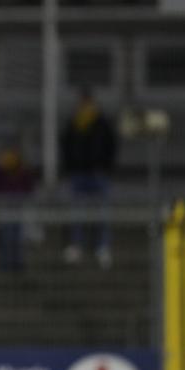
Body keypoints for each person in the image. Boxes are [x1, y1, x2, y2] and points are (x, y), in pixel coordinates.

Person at [60, 88, 117, 268]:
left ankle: (102, 247)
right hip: (78, 174)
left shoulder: (101, 123)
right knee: (77, 212)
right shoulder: (73, 123)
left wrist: (105, 166)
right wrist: (70, 166)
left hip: (98, 173)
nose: (85, 106)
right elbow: (65, 145)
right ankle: (77, 246)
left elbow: (111, 145)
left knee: (102, 212)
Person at [0, 146, 35, 271]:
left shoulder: (23, 172)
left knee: (19, 238)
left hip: (20, 209)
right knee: (6, 237)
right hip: (4, 209)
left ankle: (18, 264)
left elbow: (28, 189)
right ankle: (6, 265)